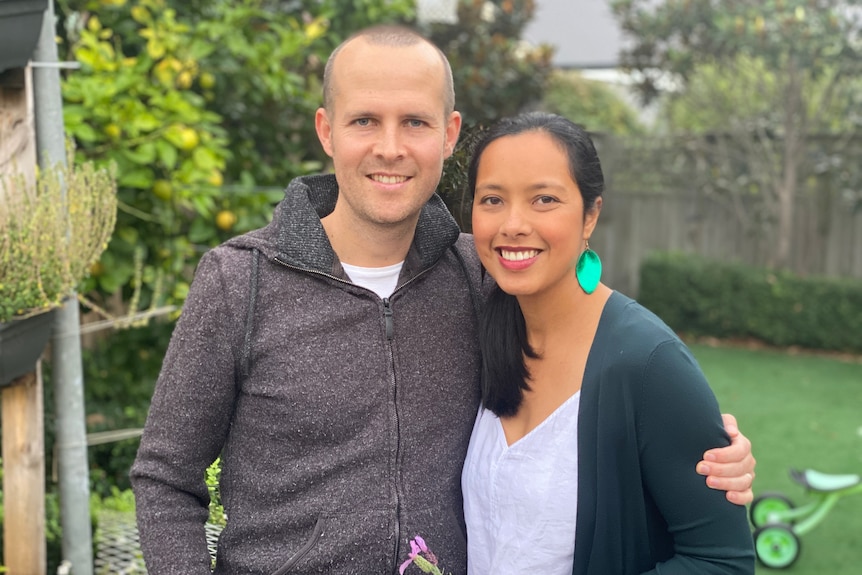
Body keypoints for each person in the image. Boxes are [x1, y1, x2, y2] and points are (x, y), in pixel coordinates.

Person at [130, 25, 755, 575]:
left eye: (416, 123)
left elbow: (587, 338)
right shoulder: (240, 282)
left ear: (450, 134)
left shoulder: (481, 276)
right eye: (365, 120)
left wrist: (708, 449)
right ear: (327, 129)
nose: (391, 147)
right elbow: (165, 477)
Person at [461, 111, 756, 574]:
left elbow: (722, 561)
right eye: (492, 199)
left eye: (544, 199)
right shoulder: (476, 328)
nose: (513, 224)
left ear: (590, 215)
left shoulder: (648, 363)